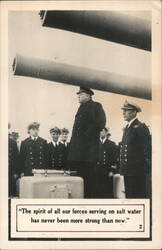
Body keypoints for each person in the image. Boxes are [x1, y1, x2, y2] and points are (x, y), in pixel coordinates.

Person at [68, 87, 106, 198]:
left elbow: (100, 123)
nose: (78, 96)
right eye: (78, 94)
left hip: (89, 153)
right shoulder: (80, 108)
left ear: (89, 95)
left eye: (81, 94)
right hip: (78, 154)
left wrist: (86, 138)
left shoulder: (96, 106)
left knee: (90, 182)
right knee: (79, 181)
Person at [119, 100, 151, 198]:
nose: (123, 113)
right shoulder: (128, 128)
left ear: (134, 112)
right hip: (128, 170)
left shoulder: (141, 127)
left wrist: (144, 168)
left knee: (137, 196)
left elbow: (146, 150)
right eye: (123, 110)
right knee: (129, 196)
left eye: (126, 110)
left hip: (137, 171)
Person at [95, 127, 118, 198]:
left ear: (106, 132)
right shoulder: (94, 143)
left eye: (102, 131)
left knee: (107, 191)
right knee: (97, 191)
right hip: (96, 171)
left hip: (107, 172)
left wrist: (112, 171)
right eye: (99, 131)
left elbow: (114, 159)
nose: (101, 132)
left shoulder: (111, 144)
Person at [8, 123, 19, 197]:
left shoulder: (12, 143)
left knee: (10, 193)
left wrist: (15, 172)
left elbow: (16, 159)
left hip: (10, 172)